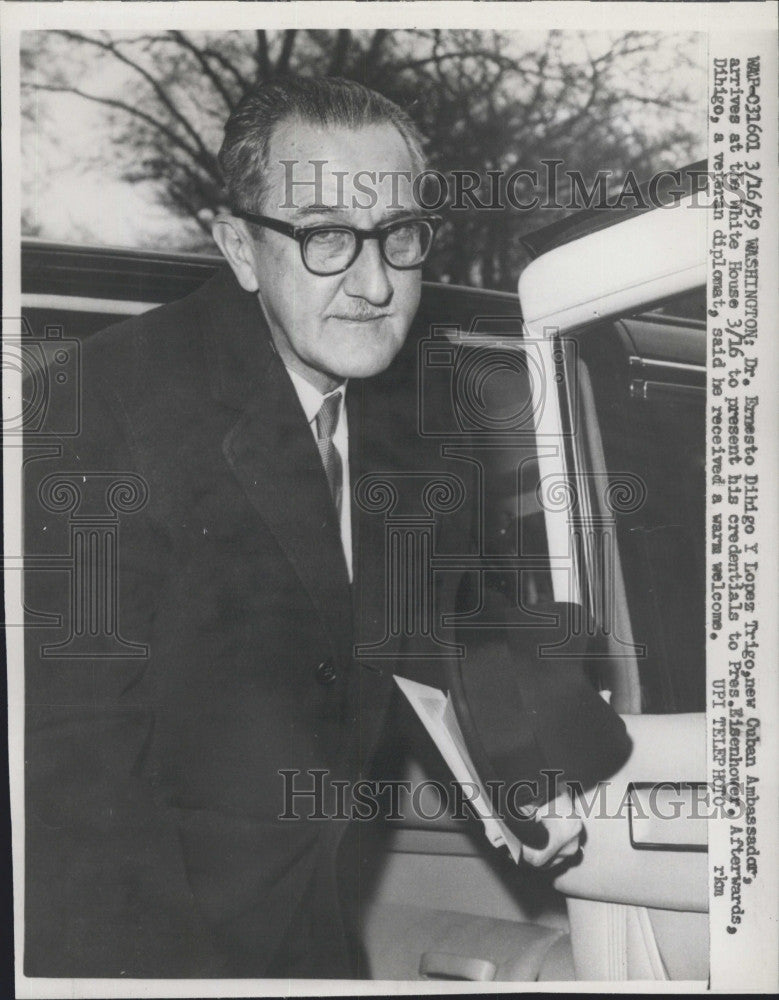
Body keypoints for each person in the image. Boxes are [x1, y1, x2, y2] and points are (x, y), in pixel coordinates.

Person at [24, 76, 630, 979]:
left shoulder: (409, 426)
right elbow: (72, 769)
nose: (377, 282)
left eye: (398, 235)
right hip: (152, 942)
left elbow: (448, 623)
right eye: (325, 237)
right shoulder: (103, 407)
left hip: (311, 924)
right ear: (237, 247)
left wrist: (524, 780)